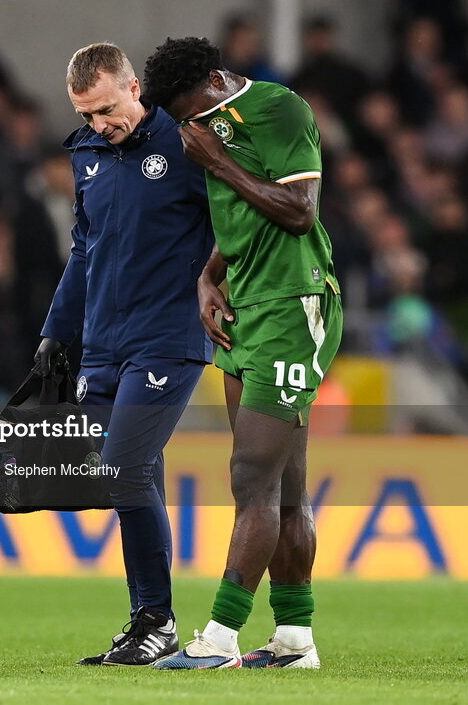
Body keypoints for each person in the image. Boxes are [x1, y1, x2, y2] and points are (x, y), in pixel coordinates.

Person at [143, 37, 342, 670]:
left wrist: (219, 160)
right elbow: (240, 221)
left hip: (294, 304)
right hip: (245, 309)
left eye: (189, 110)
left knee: (250, 477)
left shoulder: (279, 110)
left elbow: (299, 212)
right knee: (284, 488)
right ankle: (294, 640)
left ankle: (220, 637)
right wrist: (210, 275)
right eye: (178, 119)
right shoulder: (204, 126)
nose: (186, 127)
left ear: (214, 79)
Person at [34, 43, 214, 666]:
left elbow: (234, 227)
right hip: (101, 345)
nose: (98, 125)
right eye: (85, 115)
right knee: (129, 476)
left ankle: (155, 620)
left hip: (168, 336)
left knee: (122, 470)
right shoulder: (86, 154)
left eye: (106, 109)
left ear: (135, 88)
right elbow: (85, 250)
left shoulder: (189, 146)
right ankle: (147, 624)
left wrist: (220, 292)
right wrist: (57, 332)